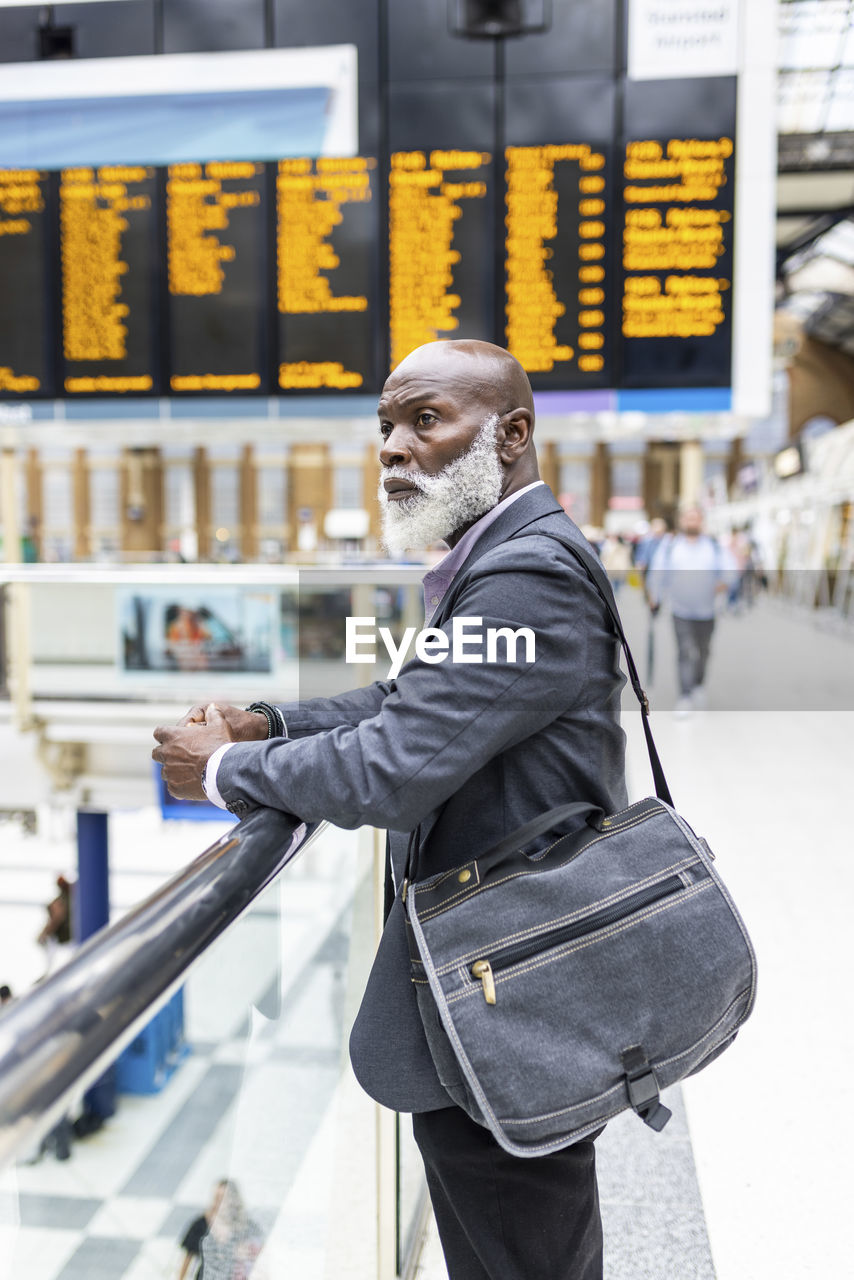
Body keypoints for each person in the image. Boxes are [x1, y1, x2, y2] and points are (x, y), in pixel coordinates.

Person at [154, 339, 628, 1280]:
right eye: (385, 428)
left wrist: (224, 775)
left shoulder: (526, 574)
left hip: (513, 996)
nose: (393, 449)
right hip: (500, 987)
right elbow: (408, 702)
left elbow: (397, 766)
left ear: (512, 434)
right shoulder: (504, 556)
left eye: (425, 421)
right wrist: (267, 723)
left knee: (521, 1252)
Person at [646, 504, 735, 716]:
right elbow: (657, 573)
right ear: (681, 521)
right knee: (685, 651)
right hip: (680, 610)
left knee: (703, 651)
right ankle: (685, 695)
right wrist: (654, 596)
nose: (691, 521)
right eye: (688, 518)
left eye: (695, 518)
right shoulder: (670, 546)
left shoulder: (713, 546)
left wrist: (723, 583)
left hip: (707, 611)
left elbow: (730, 571)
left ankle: (698, 685)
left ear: (701, 521)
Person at [179, 1180, 262, 1280]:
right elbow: (187, 1259)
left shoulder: (245, 1226)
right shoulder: (201, 1225)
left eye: (224, 1198)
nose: (220, 1202)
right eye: (217, 1197)